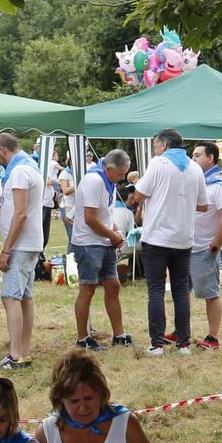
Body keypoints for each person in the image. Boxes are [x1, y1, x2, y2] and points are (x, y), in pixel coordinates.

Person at [134, 128, 203, 354]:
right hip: (183, 238)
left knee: (155, 290)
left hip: (157, 237)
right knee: (180, 291)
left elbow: (139, 194)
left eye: (155, 145)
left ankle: (157, 344)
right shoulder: (195, 167)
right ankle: (183, 343)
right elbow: (203, 204)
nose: (155, 150)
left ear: (164, 145)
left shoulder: (158, 163)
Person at [70, 150, 133, 350]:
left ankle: (119, 334)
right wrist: (111, 235)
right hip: (88, 243)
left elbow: (105, 214)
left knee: (113, 286)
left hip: (104, 242)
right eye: (120, 174)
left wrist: (117, 231)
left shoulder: (109, 182)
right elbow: (90, 218)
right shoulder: (94, 181)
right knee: (87, 290)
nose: (122, 178)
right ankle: (83, 339)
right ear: (108, 169)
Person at [0, 132, 44, 369]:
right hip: (31, 241)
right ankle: (23, 351)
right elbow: (22, 208)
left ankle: (15, 355)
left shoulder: (19, 172)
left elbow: (21, 213)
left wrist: (6, 249)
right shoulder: (30, 167)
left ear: (2, 150)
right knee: (24, 298)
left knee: (10, 297)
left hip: (21, 244)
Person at [189, 141, 222, 350]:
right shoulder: (193, 181)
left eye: (198, 155)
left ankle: (212, 337)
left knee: (210, 293)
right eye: (192, 155)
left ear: (211, 158)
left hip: (204, 249)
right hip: (185, 246)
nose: (193, 159)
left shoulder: (219, 185)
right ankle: (182, 332)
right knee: (182, 292)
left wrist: (215, 246)